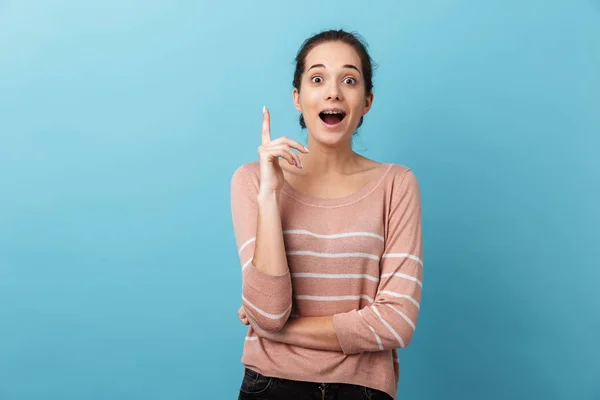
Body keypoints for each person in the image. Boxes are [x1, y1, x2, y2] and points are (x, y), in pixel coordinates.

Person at [230, 29, 423, 400]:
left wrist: (279, 331)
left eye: (348, 80)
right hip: (270, 386)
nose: (333, 91)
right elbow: (269, 311)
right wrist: (270, 196)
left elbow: (396, 323)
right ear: (298, 98)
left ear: (366, 101)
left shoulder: (396, 184)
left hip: (363, 390)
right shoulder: (253, 180)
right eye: (317, 78)